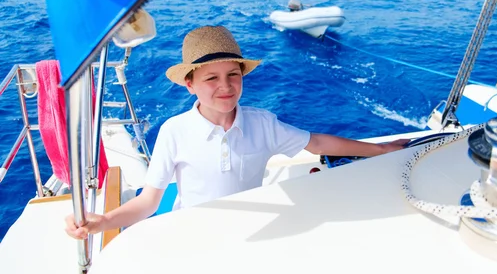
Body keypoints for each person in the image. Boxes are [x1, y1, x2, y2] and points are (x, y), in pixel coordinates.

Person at [65, 26, 409, 239]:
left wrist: (382, 150)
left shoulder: (263, 123)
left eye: (234, 75)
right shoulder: (175, 131)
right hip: (192, 233)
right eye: (211, 78)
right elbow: (147, 202)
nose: (226, 87)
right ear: (190, 85)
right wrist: (104, 221)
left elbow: (316, 141)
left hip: (249, 228)